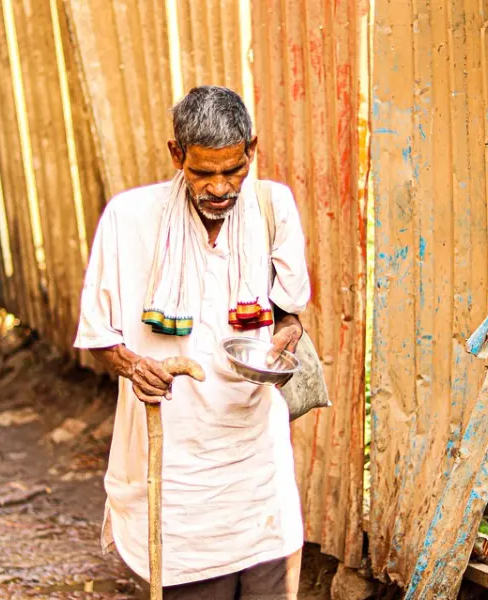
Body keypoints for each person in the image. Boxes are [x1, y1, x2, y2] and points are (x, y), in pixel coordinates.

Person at [75, 85, 311, 599]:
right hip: (175, 469)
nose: (220, 188)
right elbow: (98, 334)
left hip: (255, 460)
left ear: (252, 149)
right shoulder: (128, 218)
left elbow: (289, 312)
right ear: (176, 154)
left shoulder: (273, 207)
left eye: (234, 170)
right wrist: (134, 366)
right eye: (203, 172)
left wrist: (287, 336)